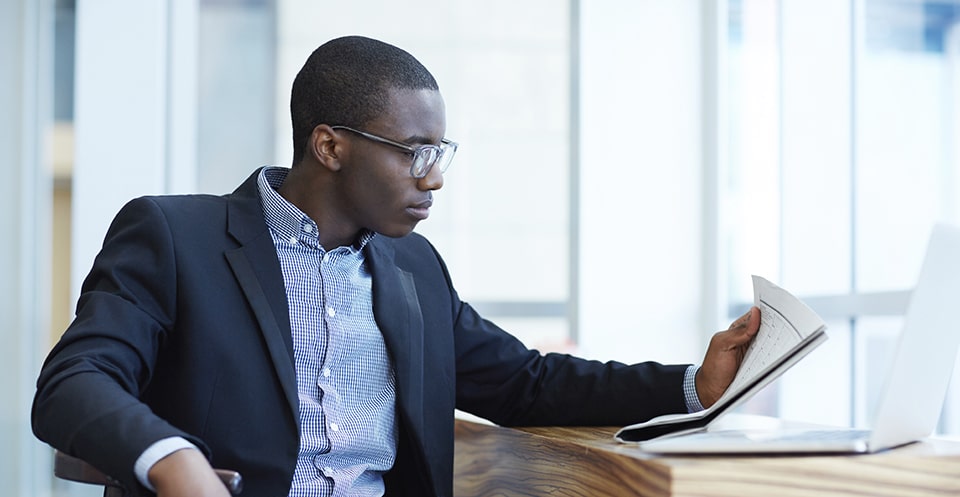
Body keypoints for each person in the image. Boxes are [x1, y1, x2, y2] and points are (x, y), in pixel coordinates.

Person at [32, 35, 759, 497]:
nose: (433, 178)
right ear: (329, 145)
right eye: (414, 152)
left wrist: (694, 385)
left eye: (439, 155)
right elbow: (74, 382)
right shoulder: (175, 235)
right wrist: (171, 459)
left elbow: (525, 384)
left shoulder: (413, 270)